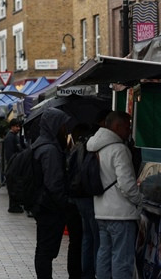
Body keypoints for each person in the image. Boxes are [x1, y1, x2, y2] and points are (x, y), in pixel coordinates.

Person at [86, 111, 142, 279]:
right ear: (117, 127)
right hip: (121, 214)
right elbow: (126, 184)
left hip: (101, 211)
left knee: (104, 254)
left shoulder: (94, 146)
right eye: (127, 127)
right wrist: (140, 200)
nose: (129, 130)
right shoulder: (119, 149)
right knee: (121, 259)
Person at [31, 107, 74, 279]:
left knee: (43, 248)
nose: (65, 129)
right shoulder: (49, 150)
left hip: (43, 205)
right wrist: (65, 204)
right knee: (45, 251)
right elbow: (53, 183)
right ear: (54, 125)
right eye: (62, 125)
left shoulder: (41, 145)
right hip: (50, 207)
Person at [68, 123, 98, 279]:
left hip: (76, 197)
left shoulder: (76, 147)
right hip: (87, 196)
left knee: (86, 237)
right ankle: (91, 273)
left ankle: (85, 273)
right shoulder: (88, 148)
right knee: (95, 238)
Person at [4, 118, 25, 213]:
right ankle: (14, 206)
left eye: (19, 126)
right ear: (12, 126)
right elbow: (10, 154)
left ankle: (15, 206)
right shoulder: (10, 137)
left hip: (15, 165)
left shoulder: (14, 136)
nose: (18, 128)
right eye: (16, 126)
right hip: (13, 166)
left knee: (15, 186)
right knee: (14, 187)